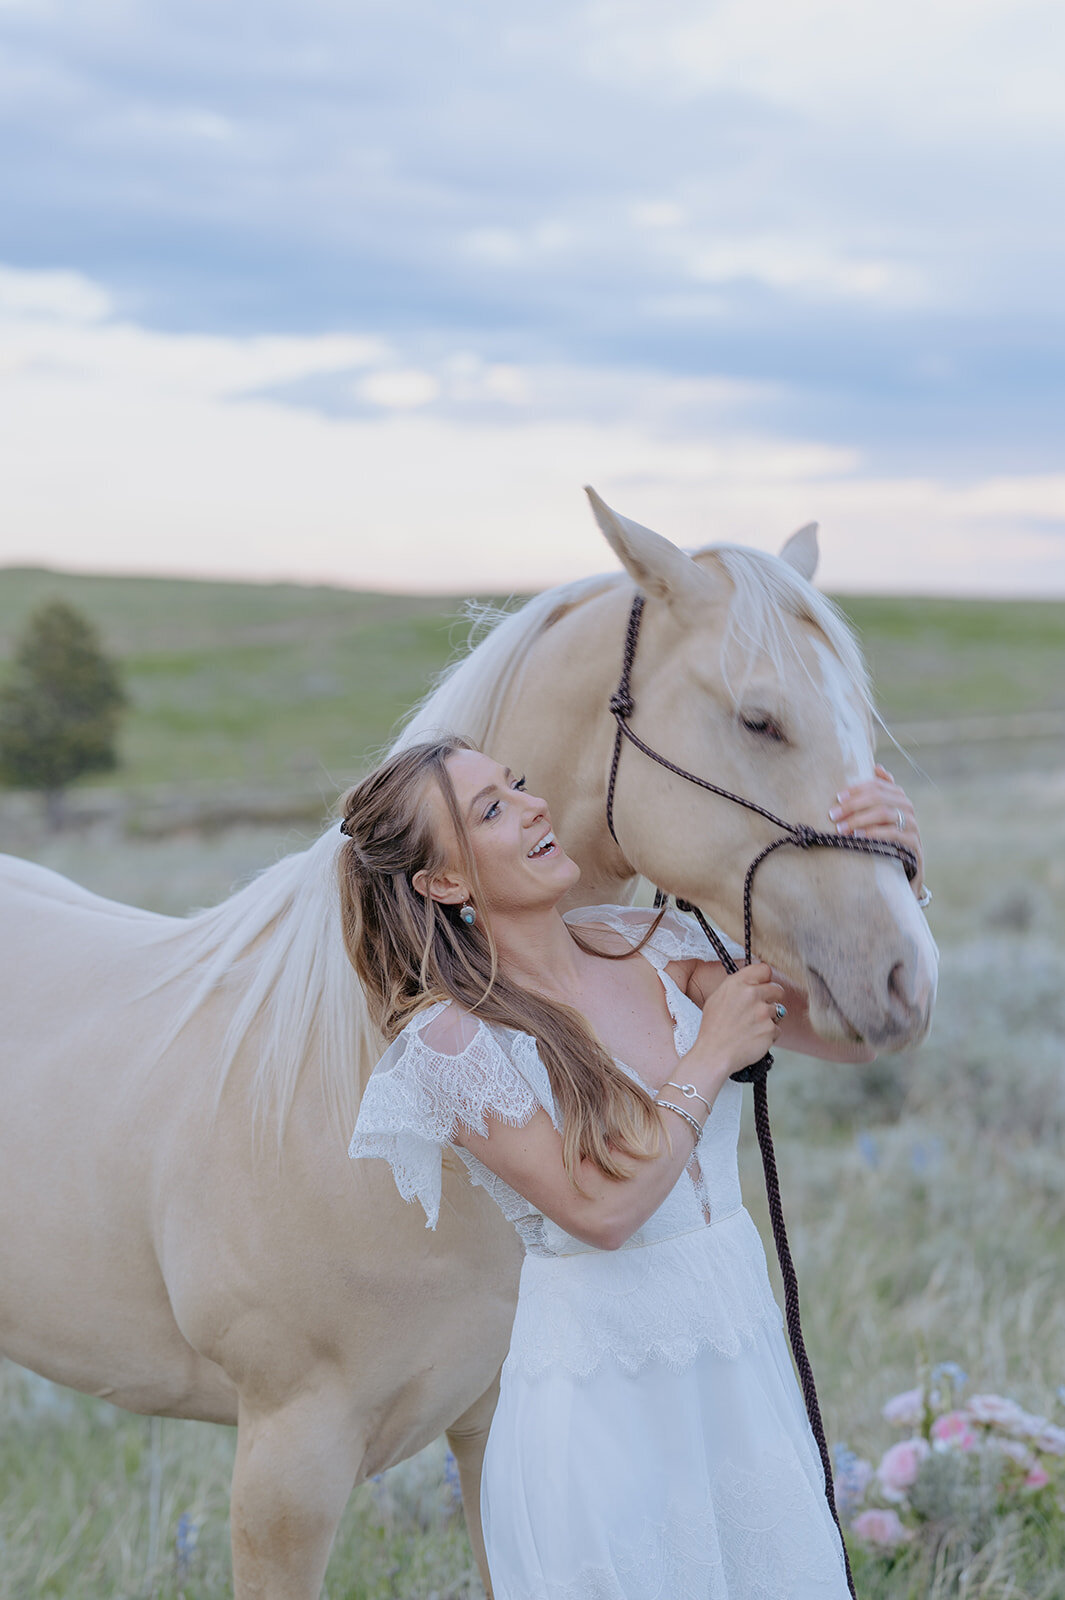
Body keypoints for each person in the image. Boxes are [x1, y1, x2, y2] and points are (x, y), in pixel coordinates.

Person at [340, 736, 928, 1600]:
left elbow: (863, 1034)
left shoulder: (650, 942)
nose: (532, 805)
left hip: (735, 1363)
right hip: (601, 1399)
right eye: (490, 811)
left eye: (519, 784)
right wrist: (712, 1050)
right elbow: (601, 1213)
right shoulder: (451, 1040)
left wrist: (897, 873)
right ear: (443, 884)